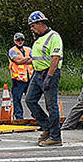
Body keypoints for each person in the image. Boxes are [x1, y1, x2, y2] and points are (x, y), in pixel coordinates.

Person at [24, 10, 63, 147]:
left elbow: (55, 58)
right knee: (30, 100)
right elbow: (38, 58)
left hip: (49, 73)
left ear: (40, 23)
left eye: (33, 26)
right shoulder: (38, 39)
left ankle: (55, 136)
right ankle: (47, 126)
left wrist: (49, 77)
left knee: (51, 105)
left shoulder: (53, 36)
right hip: (37, 73)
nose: (31, 29)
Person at [7, 32, 33, 120]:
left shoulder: (28, 49)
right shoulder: (12, 50)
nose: (20, 41)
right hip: (18, 79)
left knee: (32, 99)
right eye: (18, 40)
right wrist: (27, 58)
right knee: (17, 99)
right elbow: (17, 61)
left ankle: (36, 115)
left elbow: (34, 60)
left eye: (21, 39)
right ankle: (19, 118)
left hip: (29, 78)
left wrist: (24, 60)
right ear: (14, 41)